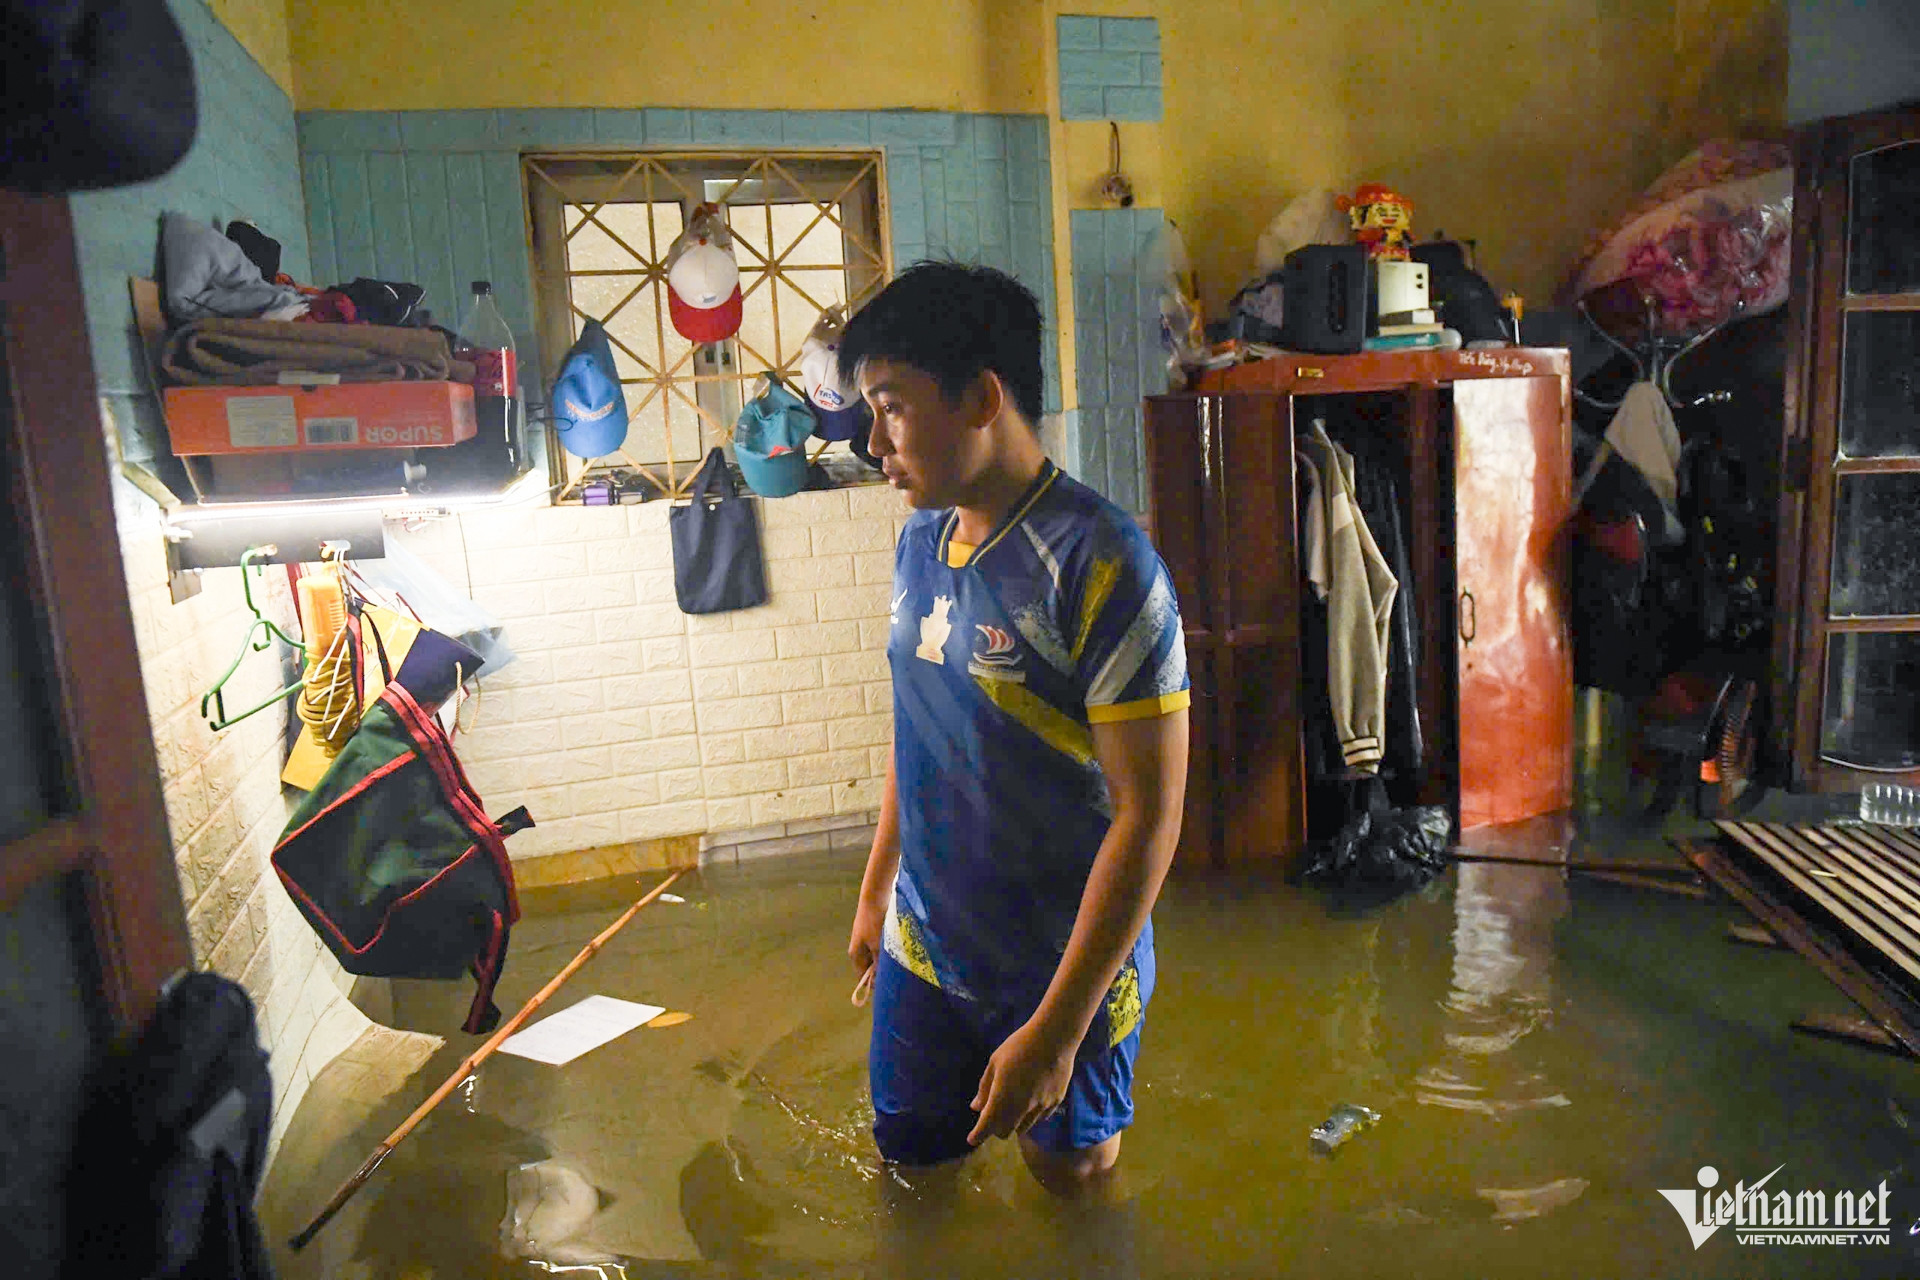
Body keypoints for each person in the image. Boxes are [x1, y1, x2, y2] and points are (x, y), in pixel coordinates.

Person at [838, 261, 1190, 1200]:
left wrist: (1060, 1030)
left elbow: (1149, 818)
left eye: (892, 406)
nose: (873, 440)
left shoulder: (1104, 563)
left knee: (1073, 1183)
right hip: (927, 940)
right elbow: (918, 724)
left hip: (1061, 964)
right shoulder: (920, 538)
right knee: (912, 1163)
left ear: (983, 397)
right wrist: (877, 891)